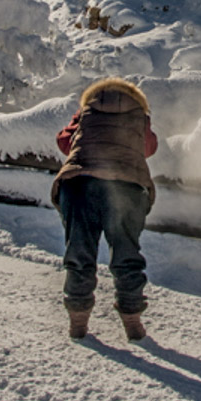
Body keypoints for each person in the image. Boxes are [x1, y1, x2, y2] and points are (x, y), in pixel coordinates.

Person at [51, 77, 158, 341]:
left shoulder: (86, 112)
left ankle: (78, 321)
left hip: (79, 184)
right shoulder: (139, 115)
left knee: (79, 251)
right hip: (125, 187)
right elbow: (149, 148)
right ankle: (132, 320)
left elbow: (64, 142)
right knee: (126, 253)